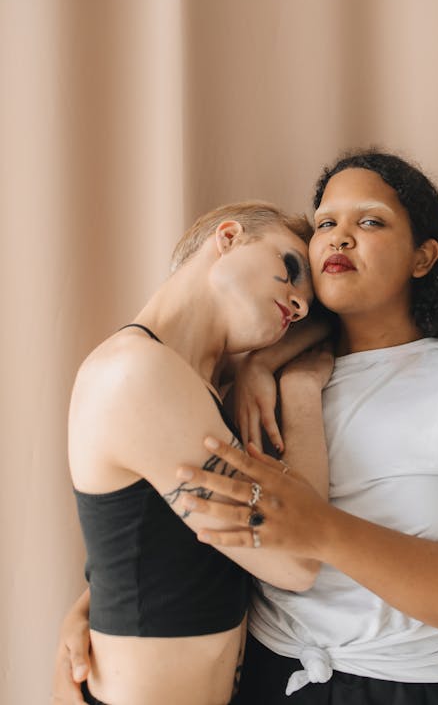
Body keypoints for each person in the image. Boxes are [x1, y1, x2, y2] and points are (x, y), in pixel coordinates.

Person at [174, 152, 438, 704]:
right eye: (326, 223)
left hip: (436, 687)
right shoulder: (257, 382)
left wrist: (321, 528)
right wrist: (95, 607)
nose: (339, 238)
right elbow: (190, 520)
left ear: (423, 257)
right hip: (276, 678)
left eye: (369, 221)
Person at [51, 200, 327, 705]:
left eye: (307, 300)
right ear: (228, 237)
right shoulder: (137, 373)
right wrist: (303, 390)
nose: (301, 305)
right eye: (290, 270)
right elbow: (299, 559)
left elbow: (145, 544)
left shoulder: (192, 384)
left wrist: (258, 366)